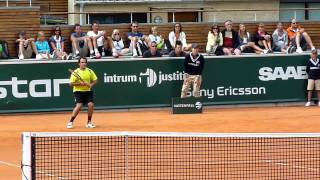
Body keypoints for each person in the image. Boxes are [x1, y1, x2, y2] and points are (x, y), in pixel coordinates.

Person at [67, 57, 98, 129]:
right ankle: (70, 122)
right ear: (79, 64)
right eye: (82, 62)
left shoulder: (90, 71)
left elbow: (95, 80)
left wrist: (91, 85)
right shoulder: (75, 72)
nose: (84, 63)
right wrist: (79, 83)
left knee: (91, 104)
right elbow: (70, 84)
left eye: (85, 62)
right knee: (79, 105)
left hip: (88, 91)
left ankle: (89, 122)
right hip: (78, 91)